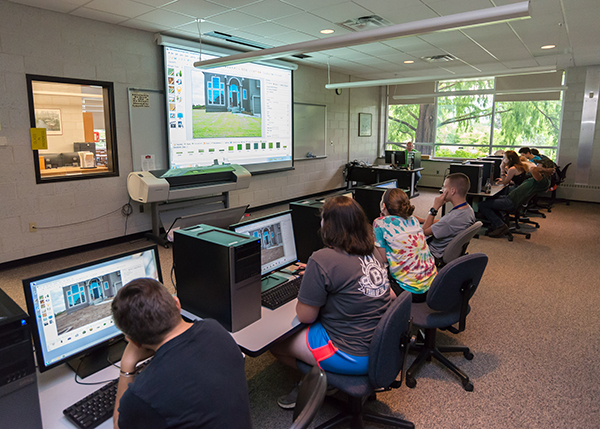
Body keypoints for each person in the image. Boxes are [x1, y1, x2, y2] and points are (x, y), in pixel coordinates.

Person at [271, 196, 391, 409]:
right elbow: (390, 295)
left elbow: (306, 316)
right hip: (382, 346)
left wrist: (307, 290)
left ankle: (322, 381)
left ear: (328, 225)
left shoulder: (321, 259)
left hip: (351, 354)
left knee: (275, 342)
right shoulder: (372, 251)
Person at [111, 278, 252, 429]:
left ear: (133, 341)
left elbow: (118, 426)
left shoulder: (142, 394)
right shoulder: (214, 328)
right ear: (177, 304)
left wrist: (127, 364)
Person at [373, 188, 436, 302]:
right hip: (433, 286)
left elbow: (383, 259)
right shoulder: (414, 220)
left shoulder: (379, 223)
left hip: (409, 291)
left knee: (369, 290)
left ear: (383, 206)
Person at [478, 164, 555, 238]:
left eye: (539, 165)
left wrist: (545, 170)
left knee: (482, 205)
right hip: (510, 198)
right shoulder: (539, 179)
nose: (537, 166)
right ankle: (499, 223)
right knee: (490, 198)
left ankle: (500, 226)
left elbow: (533, 169)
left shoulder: (542, 181)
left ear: (546, 168)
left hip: (511, 202)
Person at [419, 173, 476, 261]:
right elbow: (444, 222)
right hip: (448, 252)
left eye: (444, 187)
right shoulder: (468, 210)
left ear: (452, 191)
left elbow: (424, 231)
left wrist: (434, 208)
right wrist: (423, 220)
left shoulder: (450, 220)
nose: (442, 190)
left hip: (432, 254)